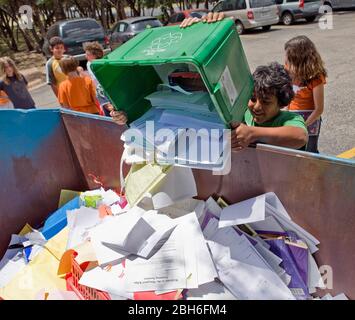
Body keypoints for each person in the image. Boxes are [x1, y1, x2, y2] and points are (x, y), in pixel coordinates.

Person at [231, 63, 308, 150]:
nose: (256, 107)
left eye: (265, 102)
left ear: (281, 103)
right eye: (253, 99)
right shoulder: (244, 113)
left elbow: (301, 137)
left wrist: (252, 133)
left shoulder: (289, 118)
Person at [284, 36, 327, 153]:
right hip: (293, 118)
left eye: (288, 59)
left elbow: (319, 109)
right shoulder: (288, 73)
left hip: (311, 120)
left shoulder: (316, 78)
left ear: (299, 60)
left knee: (310, 151)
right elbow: (288, 97)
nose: (285, 63)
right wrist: (286, 115)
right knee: (295, 151)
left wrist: (304, 125)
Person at [82, 41, 127, 124]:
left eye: (88, 54)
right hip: (101, 95)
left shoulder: (103, 65)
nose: (86, 56)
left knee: (116, 118)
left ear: (95, 55)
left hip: (108, 94)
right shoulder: (89, 64)